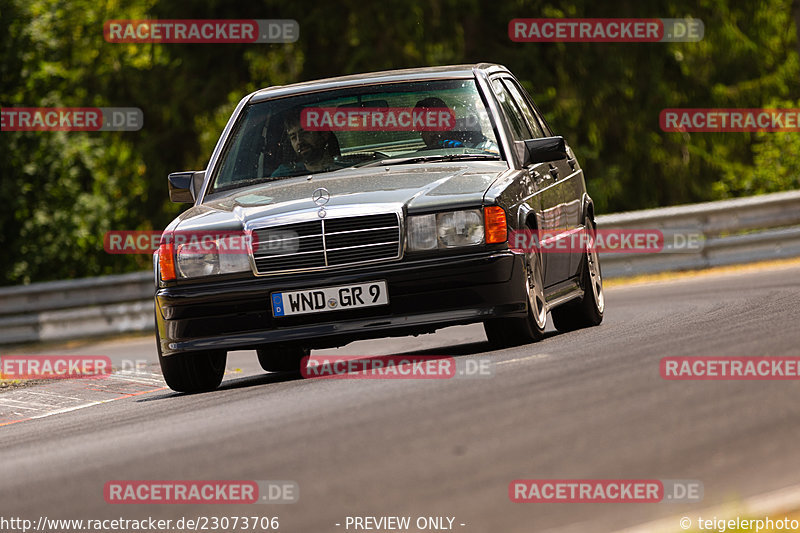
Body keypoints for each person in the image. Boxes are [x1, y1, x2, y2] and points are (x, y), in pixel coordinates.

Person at [271, 107, 345, 177]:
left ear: (324, 134)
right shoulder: (282, 176)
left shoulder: (347, 171)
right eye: (293, 137)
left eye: (305, 133)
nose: (299, 141)